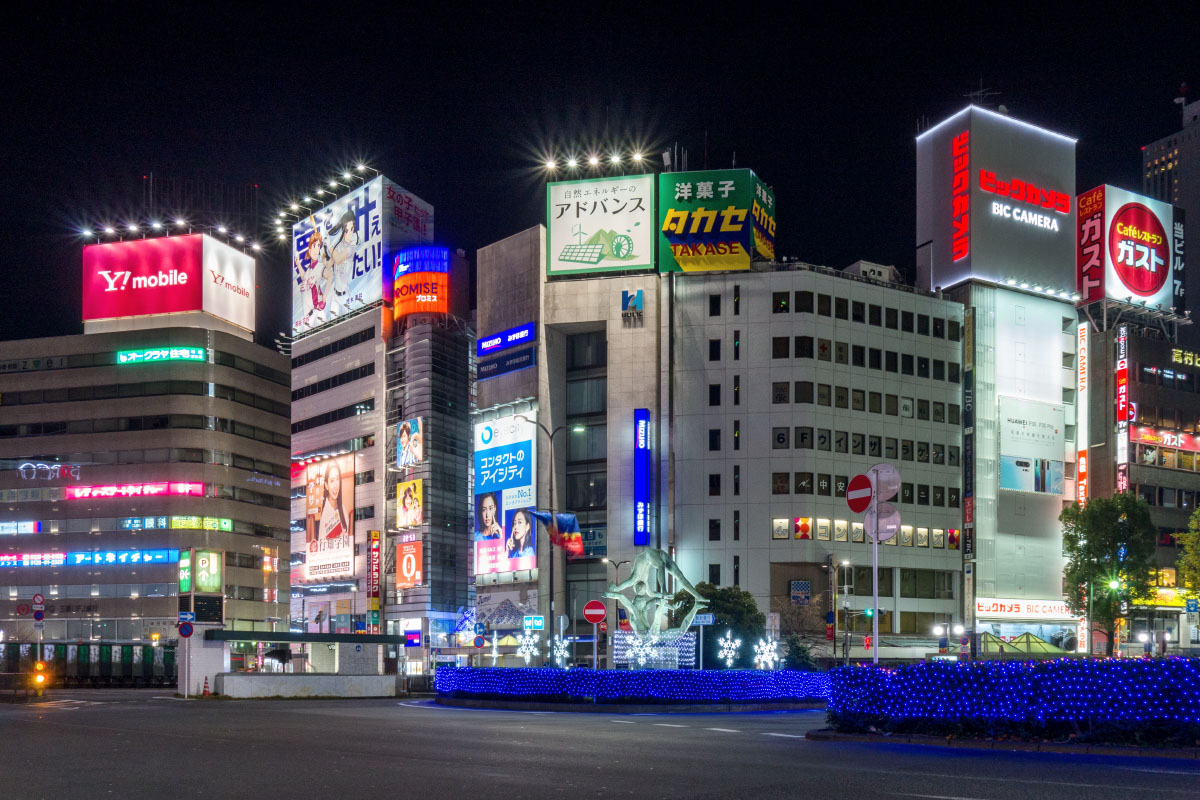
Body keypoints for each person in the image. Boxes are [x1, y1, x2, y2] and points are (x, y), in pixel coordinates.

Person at [316, 461, 349, 540]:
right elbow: (321, 543)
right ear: (326, 485)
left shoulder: (342, 509)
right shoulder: (325, 515)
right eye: (332, 480)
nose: (335, 485)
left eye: (337, 479)